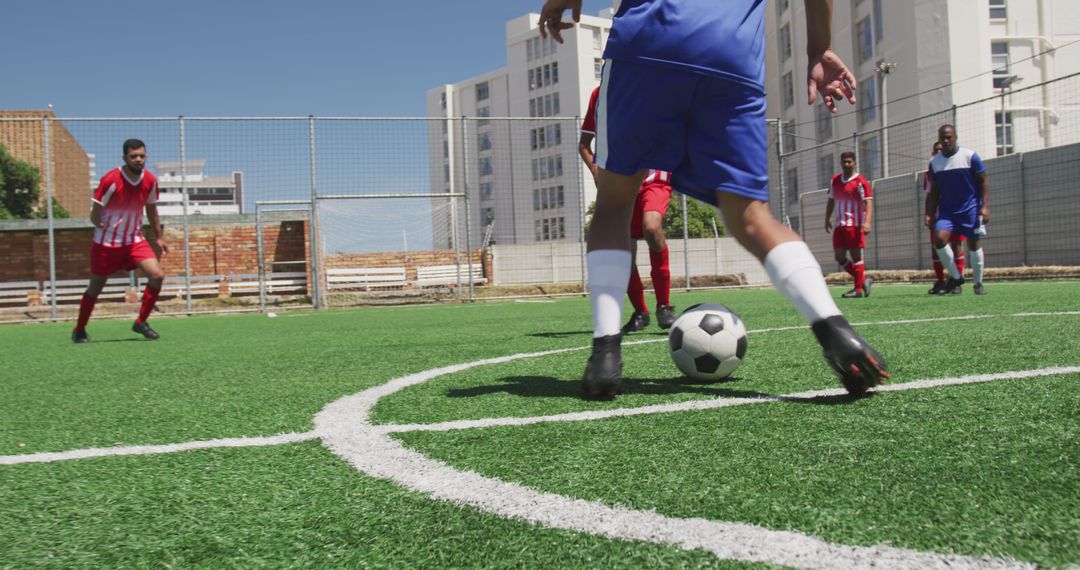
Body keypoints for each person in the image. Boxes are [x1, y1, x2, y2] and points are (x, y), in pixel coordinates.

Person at [540, 0, 890, 399]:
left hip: (649, 45)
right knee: (751, 217)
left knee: (615, 202)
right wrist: (818, 48)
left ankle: (605, 352)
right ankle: (833, 327)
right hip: (731, 55)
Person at [579, 85, 676, 332]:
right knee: (626, 251)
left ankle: (664, 305)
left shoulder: (656, 85)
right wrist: (595, 170)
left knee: (652, 227)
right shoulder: (599, 94)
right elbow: (584, 145)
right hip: (620, 182)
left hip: (655, 178)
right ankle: (640, 312)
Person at [72, 139, 168, 343]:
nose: (138, 159)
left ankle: (141, 321)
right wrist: (97, 222)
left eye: (142, 155)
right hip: (106, 243)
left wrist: (159, 237)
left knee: (157, 275)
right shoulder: (111, 180)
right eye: (133, 156)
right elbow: (95, 210)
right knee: (96, 286)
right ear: (125, 158)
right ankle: (79, 329)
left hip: (134, 239)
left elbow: (152, 209)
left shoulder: (150, 180)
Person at [925, 124, 989, 296]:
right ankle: (956, 277)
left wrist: (984, 206)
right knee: (939, 241)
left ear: (955, 137)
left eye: (949, 137)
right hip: (947, 211)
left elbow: (983, 181)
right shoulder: (935, 162)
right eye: (942, 138)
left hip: (970, 209)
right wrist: (931, 213)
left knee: (973, 244)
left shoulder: (970, 156)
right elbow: (934, 191)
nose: (946, 140)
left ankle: (978, 283)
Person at [825, 151, 874, 298]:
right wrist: (827, 218)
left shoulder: (861, 182)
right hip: (840, 224)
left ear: (854, 163)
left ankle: (858, 290)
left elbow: (868, 202)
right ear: (840, 163)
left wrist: (867, 222)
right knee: (839, 256)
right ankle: (864, 280)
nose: (847, 164)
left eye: (849, 162)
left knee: (856, 256)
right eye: (844, 162)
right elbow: (831, 200)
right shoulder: (835, 181)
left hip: (855, 224)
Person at [923, 141, 966, 294]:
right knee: (936, 248)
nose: (938, 153)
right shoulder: (930, 171)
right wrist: (928, 213)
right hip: (937, 214)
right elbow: (929, 194)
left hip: (955, 213)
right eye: (936, 151)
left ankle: (957, 282)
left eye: (941, 150)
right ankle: (941, 281)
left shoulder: (955, 167)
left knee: (956, 246)